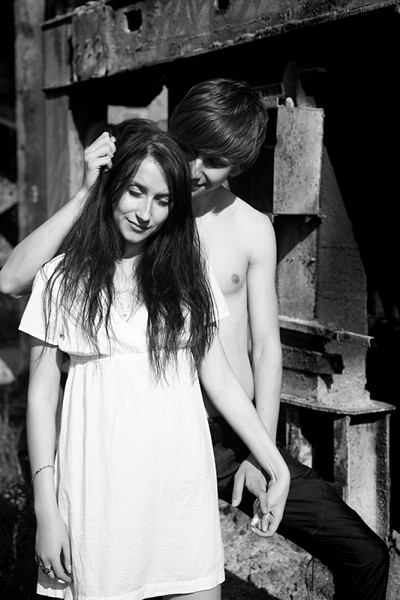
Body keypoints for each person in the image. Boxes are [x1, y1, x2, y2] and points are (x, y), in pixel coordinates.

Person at [0, 79, 390, 598]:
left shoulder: (248, 229)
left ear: (240, 166)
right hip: (137, 428)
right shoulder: (134, 215)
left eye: (216, 161)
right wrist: (88, 191)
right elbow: (15, 280)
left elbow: (261, 348)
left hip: (230, 432)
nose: (195, 169)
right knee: (107, 559)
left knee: (365, 554)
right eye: (190, 150)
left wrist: (262, 451)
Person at [17, 118, 290, 600]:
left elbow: (221, 379)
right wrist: (46, 509)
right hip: (99, 498)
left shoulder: (188, 273)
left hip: (180, 495)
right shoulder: (61, 278)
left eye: (162, 200)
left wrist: (276, 465)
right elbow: (41, 398)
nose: (146, 213)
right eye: (135, 191)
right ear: (111, 185)